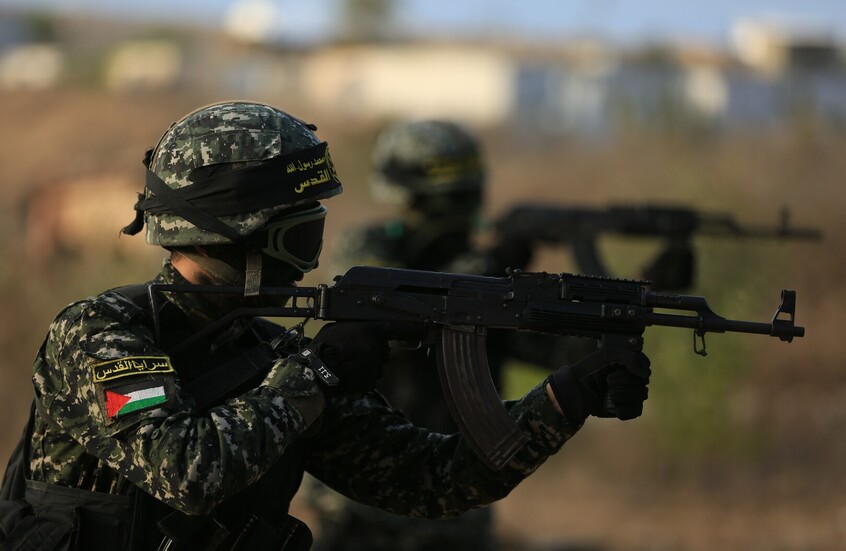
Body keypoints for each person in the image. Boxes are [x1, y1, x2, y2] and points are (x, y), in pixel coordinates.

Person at [0, 102, 651, 551]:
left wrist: (564, 399)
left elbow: (435, 479)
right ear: (238, 229)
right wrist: (318, 372)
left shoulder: (277, 356)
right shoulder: (101, 333)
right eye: (301, 221)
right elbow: (188, 470)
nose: (314, 242)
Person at [308, 120, 595, 551]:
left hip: (457, 498)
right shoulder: (371, 254)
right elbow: (403, 304)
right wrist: (490, 262)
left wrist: (614, 301)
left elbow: (566, 351)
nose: (458, 211)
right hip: (365, 496)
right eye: (448, 197)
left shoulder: (492, 286)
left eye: (464, 194)